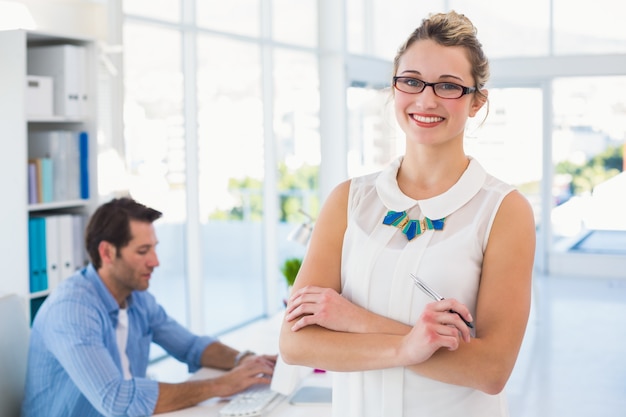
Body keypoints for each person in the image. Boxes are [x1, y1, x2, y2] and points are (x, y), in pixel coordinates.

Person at [279, 10, 535, 417]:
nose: (426, 99)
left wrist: (354, 321)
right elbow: (296, 344)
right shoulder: (348, 200)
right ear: (394, 88)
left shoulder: (503, 211)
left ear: (476, 101)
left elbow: (491, 369)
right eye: (412, 81)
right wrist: (407, 345)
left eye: (448, 86)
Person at [22, 197, 277, 417]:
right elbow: (117, 399)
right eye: (143, 251)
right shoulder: (73, 310)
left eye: (154, 249)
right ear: (107, 253)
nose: (155, 261)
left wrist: (244, 360)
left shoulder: (136, 297)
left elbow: (191, 347)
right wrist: (220, 385)